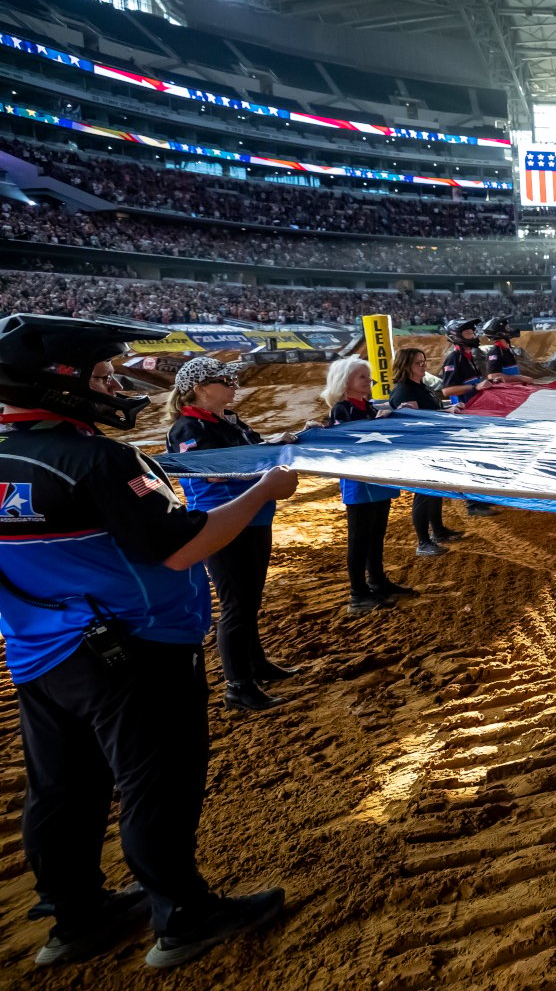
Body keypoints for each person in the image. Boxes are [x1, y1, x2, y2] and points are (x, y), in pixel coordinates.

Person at [0, 313, 294, 968]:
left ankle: (74, 915)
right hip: (135, 649)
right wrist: (268, 491)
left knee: (61, 788)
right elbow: (182, 545)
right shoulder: (98, 459)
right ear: (61, 381)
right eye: (101, 375)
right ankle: (183, 916)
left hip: (36, 652)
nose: (112, 386)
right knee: (156, 782)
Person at [165, 356, 302, 713]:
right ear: (200, 388)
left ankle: (255, 665)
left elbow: (251, 449)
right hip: (222, 520)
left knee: (249, 599)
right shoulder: (187, 427)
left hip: (253, 516)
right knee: (236, 606)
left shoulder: (227, 420)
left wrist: (274, 443)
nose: (233, 385)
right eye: (225, 380)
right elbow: (211, 471)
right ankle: (238, 686)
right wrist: (263, 460)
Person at [322, 357, 415, 611]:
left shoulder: (368, 407)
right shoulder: (342, 409)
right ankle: (357, 593)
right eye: (362, 376)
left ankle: (377, 581)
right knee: (359, 538)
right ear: (345, 381)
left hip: (378, 477)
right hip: (359, 480)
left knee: (376, 535)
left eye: (368, 376)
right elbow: (347, 442)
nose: (369, 381)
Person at [387, 347, 465, 557]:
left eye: (424, 362)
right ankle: (423, 541)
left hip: (432, 444)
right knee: (423, 494)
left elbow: (430, 411)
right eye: (418, 363)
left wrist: (447, 410)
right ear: (406, 366)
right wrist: (444, 412)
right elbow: (412, 419)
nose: (423, 366)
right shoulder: (404, 390)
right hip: (418, 448)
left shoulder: (421, 386)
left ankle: (438, 530)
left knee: (434, 490)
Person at [438, 319, 499, 517]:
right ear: (456, 335)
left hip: (475, 414)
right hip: (464, 415)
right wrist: (475, 387)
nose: (473, 335)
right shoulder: (454, 359)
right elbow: (447, 390)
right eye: (468, 333)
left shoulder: (468, 357)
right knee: (471, 457)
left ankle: (480, 497)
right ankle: (473, 504)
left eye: (472, 332)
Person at [480, 318, 531, 384]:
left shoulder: (506, 350)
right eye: (507, 327)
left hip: (515, 388)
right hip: (506, 391)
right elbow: (493, 376)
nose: (510, 329)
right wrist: (520, 378)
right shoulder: (495, 353)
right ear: (500, 333)